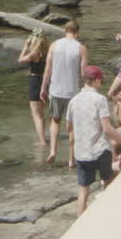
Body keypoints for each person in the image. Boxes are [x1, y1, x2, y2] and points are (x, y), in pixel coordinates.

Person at [67, 65, 121, 214]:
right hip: (99, 150)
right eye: (101, 81)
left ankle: (79, 223)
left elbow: (69, 128)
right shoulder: (100, 99)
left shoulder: (73, 101)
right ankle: (108, 214)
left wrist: (71, 154)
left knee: (83, 190)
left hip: (81, 152)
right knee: (109, 181)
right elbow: (107, 129)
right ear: (96, 80)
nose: (101, 84)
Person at [41, 21, 88, 167]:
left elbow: (48, 69)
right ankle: (71, 159)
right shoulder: (81, 48)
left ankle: (53, 151)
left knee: (55, 120)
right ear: (77, 31)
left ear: (65, 30)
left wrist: (43, 87)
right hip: (72, 92)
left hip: (55, 90)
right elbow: (83, 73)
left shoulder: (54, 45)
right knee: (71, 126)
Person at [18, 31, 49, 147]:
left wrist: (26, 46)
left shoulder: (34, 53)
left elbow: (20, 60)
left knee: (36, 114)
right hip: (45, 82)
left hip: (35, 82)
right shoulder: (47, 51)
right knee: (41, 114)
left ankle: (42, 141)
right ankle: (43, 138)